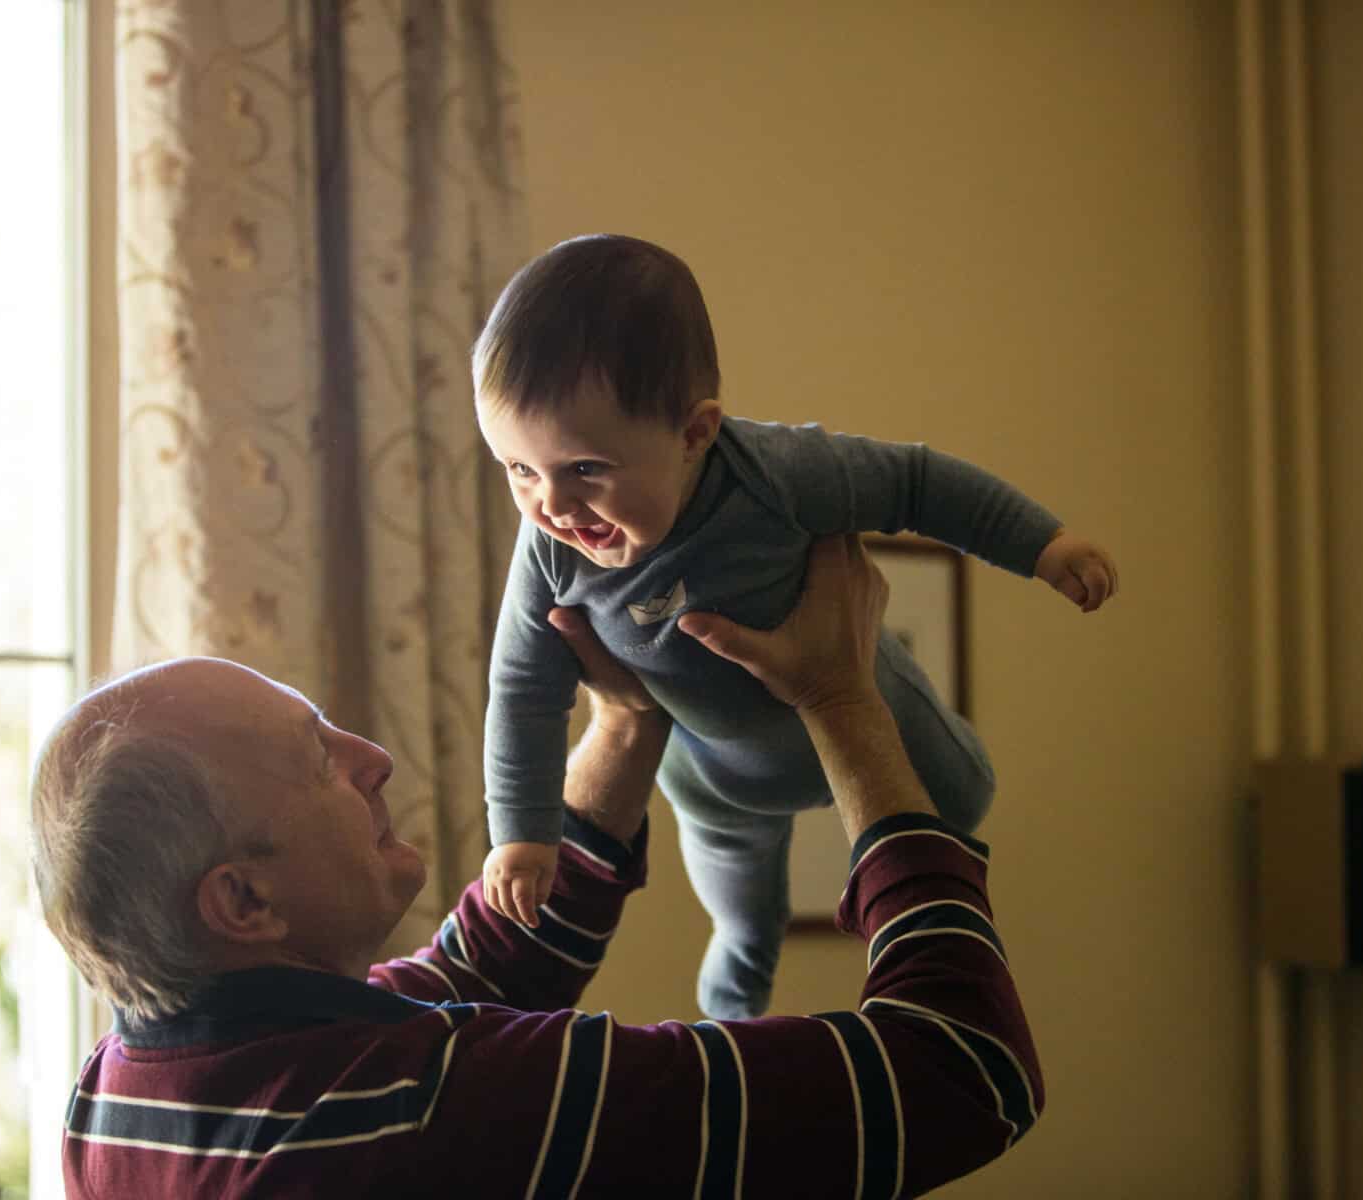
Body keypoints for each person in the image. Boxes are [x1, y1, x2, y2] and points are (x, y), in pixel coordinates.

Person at [31, 534, 1043, 1198]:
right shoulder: (436, 1111)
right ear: (244, 900)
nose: (372, 760)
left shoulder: (119, 1096)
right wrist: (841, 700)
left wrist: (626, 721)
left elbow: (476, 970)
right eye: (319, 760)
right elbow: (962, 1069)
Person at [476, 233, 1119, 1018]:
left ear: (693, 434)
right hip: (716, 778)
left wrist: (1043, 545)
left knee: (964, 800)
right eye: (518, 469)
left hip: (865, 701)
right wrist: (522, 832)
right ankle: (733, 1018)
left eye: (585, 469)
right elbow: (522, 690)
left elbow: (917, 484)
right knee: (745, 918)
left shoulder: (777, 475)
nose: (552, 505)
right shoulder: (548, 550)